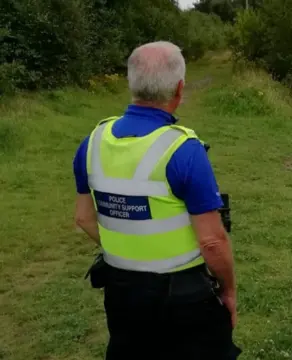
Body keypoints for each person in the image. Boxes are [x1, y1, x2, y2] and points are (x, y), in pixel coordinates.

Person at [72, 41, 240, 359]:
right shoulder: (185, 150)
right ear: (179, 90)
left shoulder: (91, 143)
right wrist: (229, 290)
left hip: (121, 293)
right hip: (185, 297)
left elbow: (83, 217)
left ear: (131, 85)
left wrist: (128, 250)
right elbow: (213, 243)